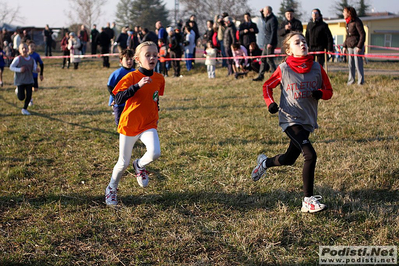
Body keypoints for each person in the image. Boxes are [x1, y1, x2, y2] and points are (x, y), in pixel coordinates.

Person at [250, 32, 333, 213]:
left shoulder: (317, 68)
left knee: (289, 159)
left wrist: (320, 93)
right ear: (289, 50)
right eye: (297, 42)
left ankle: (264, 163)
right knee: (310, 155)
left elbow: (329, 91)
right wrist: (270, 103)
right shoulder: (284, 68)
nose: (302, 44)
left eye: (304, 41)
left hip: (307, 121)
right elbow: (267, 87)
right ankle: (307, 201)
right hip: (289, 119)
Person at [105, 41, 165, 206]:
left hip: (148, 125)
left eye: (155, 55)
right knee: (122, 163)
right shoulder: (131, 77)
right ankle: (111, 188)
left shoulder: (159, 78)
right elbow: (117, 98)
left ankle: (139, 164)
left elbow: (154, 97)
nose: (152, 58)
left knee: (155, 152)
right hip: (129, 125)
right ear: (138, 59)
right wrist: (137, 86)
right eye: (148, 55)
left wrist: (155, 110)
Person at [107, 49, 135, 126]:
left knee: (130, 122)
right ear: (121, 61)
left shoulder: (135, 72)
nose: (129, 61)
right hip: (119, 104)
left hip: (130, 103)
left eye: (131, 59)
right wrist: (116, 98)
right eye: (127, 59)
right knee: (120, 123)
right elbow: (110, 86)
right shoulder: (117, 73)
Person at [10, 43, 38, 115]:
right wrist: (19, 70)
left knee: (29, 95)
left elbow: (34, 68)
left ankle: (24, 109)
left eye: (25, 48)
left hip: (29, 80)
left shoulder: (32, 60)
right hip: (20, 81)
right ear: (19, 51)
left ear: (28, 50)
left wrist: (36, 70)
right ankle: (17, 90)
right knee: (21, 97)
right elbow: (11, 67)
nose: (24, 49)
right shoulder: (18, 59)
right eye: (22, 48)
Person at [253, 6, 278, 81]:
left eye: (264, 11)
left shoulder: (273, 19)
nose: (263, 12)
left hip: (270, 43)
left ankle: (276, 75)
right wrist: (261, 12)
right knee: (263, 59)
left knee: (269, 59)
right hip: (266, 43)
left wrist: (270, 43)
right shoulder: (268, 18)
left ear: (267, 11)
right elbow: (264, 19)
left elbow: (273, 32)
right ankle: (261, 76)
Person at [343, 6, 366, 85]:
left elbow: (362, 34)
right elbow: (347, 35)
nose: (343, 13)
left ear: (349, 13)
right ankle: (351, 80)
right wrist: (344, 46)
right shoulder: (348, 23)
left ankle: (360, 81)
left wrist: (359, 46)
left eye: (344, 12)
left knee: (358, 65)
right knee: (351, 65)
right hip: (350, 46)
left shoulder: (357, 21)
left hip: (357, 46)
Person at [27, 41, 44, 106]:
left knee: (35, 89)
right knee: (29, 88)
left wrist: (41, 74)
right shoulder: (26, 55)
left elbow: (42, 64)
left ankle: (28, 92)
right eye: (31, 46)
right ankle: (30, 100)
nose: (33, 48)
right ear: (28, 47)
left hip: (34, 75)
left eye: (34, 46)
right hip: (27, 75)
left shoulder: (36, 55)